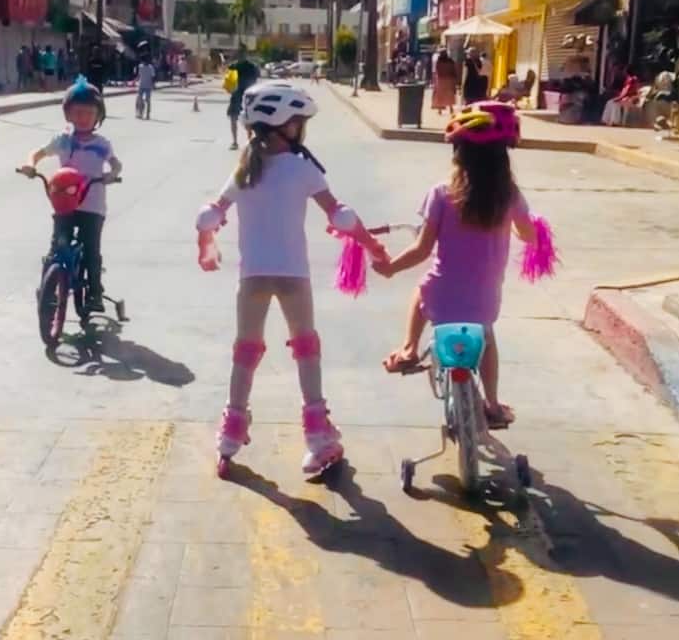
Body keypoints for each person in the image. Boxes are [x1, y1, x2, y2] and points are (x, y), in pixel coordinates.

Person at [196, 82, 386, 474]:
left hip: (252, 277)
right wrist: (371, 245)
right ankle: (318, 440)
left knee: (245, 352)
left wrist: (206, 244)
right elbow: (341, 216)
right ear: (285, 125)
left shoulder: (244, 170)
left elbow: (209, 215)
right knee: (306, 349)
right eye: (299, 123)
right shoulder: (302, 168)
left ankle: (230, 439)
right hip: (292, 276)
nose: (302, 130)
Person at [373, 101, 537, 430]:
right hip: (485, 299)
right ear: (504, 156)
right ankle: (491, 403)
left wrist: (391, 267)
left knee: (423, 289)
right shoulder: (509, 195)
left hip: (443, 297)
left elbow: (422, 250)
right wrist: (533, 228)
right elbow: (529, 235)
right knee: (487, 340)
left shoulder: (442, 194)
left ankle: (408, 348)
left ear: (458, 154)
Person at [18, 77, 121, 312]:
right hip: (64, 202)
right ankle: (47, 286)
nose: (83, 117)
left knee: (91, 250)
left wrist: (112, 173)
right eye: (77, 112)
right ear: (68, 115)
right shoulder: (63, 140)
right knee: (57, 246)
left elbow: (116, 163)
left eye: (89, 113)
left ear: (98, 117)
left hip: (92, 205)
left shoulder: (102, 144)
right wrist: (30, 164)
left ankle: (94, 292)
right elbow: (38, 152)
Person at [226, 48, 260, 151]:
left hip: (236, 96)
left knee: (233, 118)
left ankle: (235, 142)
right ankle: (250, 140)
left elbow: (229, 85)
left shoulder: (233, 67)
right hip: (249, 96)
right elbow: (255, 80)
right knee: (249, 119)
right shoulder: (253, 66)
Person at [433, 47, 457, 115]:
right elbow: (453, 70)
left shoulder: (439, 61)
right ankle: (451, 109)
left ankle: (440, 110)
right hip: (449, 79)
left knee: (440, 95)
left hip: (441, 80)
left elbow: (437, 70)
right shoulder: (450, 61)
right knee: (449, 94)